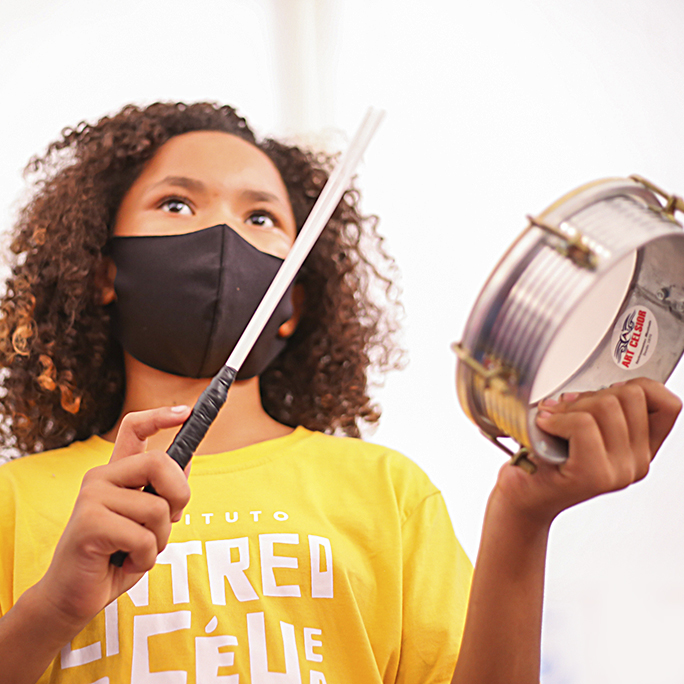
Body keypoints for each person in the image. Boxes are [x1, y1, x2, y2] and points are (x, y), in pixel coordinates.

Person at [0, 102, 679, 684]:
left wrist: (523, 519)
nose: (226, 236)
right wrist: (51, 609)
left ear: (291, 300)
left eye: (262, 217)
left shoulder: (387, 490)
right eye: (177, 203)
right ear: (101, 274)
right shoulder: (16, 502)